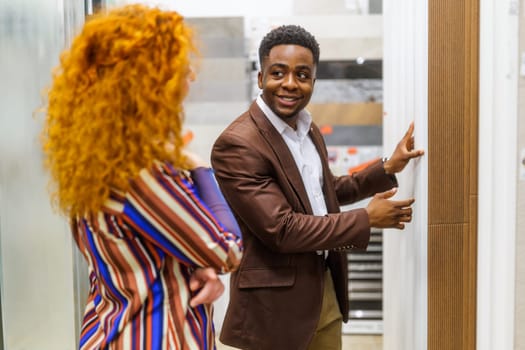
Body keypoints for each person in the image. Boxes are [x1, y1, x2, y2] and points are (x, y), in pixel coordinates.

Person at [40, 4, 242, 349]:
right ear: (147, 79)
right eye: (180, 67)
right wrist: (198, 168)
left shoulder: (99, 159)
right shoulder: (138, 172)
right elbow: (225, 249)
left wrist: (196, 265)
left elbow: (144, 246)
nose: (190, 75)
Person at [211, 24, 424, 350]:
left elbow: (323, 192)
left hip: (323, 288)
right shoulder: (238, 144)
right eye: (278, 73)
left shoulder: (307, 130)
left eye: (302, 75)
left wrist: (387, 168)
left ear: (313, 80)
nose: (290, 84)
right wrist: (366, 219)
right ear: (260, 78)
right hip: (274, 309)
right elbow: (281, 229)